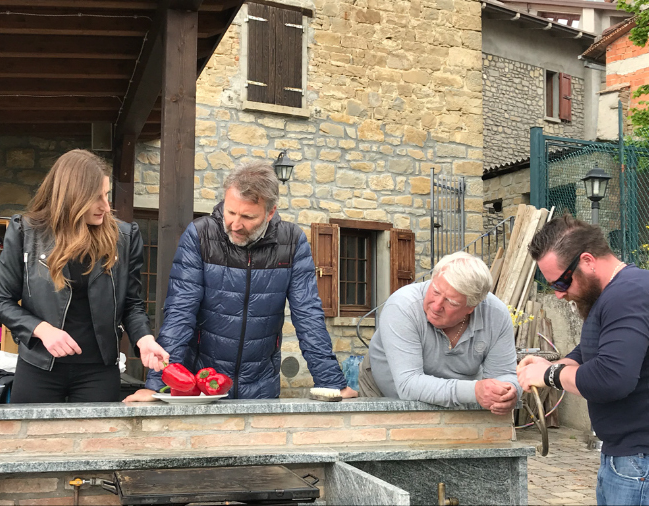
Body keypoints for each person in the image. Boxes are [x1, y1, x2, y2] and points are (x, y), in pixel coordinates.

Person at [125, 162, 357, 400]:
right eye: (230, 212)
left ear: (270, 212)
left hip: (261, 387)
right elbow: (180, 313)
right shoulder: (200, 235)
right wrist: (157, 386)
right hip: (200, 386)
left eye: (247, 217)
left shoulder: (292, 242)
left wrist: (331, 383)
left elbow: (308, 315)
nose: (235, 225)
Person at [0, 149, 169, 403]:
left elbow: (132, 304)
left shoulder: (125, 237)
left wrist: (144, 338)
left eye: (106, 194)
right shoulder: (25, 232)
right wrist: (42, 330)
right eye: (96, 197)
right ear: (71, 197)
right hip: (38, 367)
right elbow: (2, 302)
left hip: (99, 371)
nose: (106, 206)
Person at [517, 215, 649, 506]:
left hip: (639, 463)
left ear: (588, 260)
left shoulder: (626, 295)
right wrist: (553, 365)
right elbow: (592, 349)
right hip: (626, 458)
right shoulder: (612, 294)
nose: (558, 294)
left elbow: (612, 378)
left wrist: (549, 376)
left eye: (561, 281)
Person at [359, 251, 520, 415]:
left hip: (458, 402)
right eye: (435, 291)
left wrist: (507, 392)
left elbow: (504, 374)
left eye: (451, 302)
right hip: (386, 393)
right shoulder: (402, 306)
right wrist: (473, 391)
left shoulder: (495, 315)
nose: (436, 306)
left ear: (472, 307)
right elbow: (408, 385)